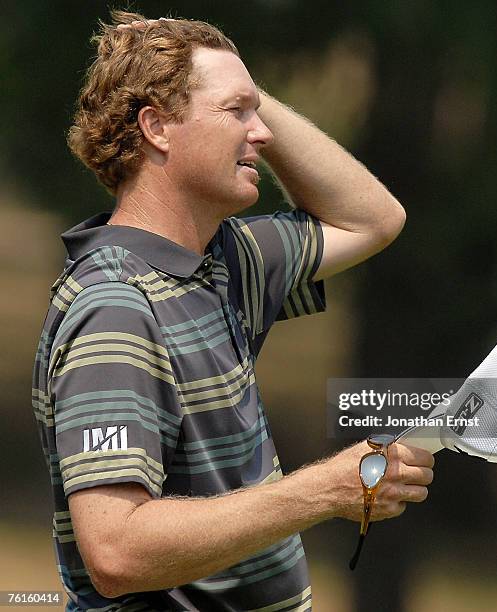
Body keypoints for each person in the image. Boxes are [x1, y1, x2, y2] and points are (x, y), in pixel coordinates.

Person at [32, 10, 434, 611]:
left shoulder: (224, 260)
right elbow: (116, 552)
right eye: (235, 112)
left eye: (258, 110)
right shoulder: (115, 308)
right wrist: (325, 491)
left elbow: (374, 219)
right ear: (157, 128)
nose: (263, 131)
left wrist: (238, 86)